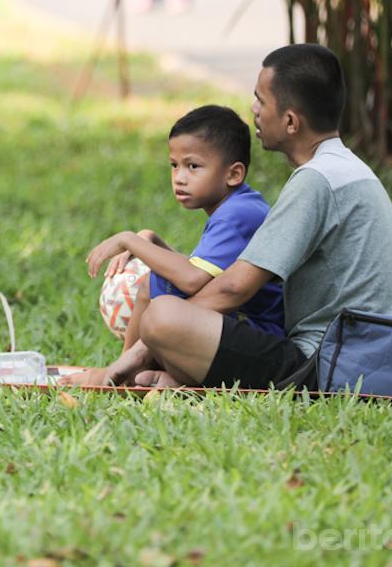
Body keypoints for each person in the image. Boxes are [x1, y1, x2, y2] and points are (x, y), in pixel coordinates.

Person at [84, 44, 392, 390]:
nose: (254, 109)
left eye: (261, 100)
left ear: (290, 121)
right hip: (373, 358)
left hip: (332, 365)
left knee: (163, 315)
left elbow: (231, 289)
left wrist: (142, 348)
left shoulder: (316, 181)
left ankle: (142, 372)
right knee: (165, 310)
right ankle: (171, 379)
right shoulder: (346, 168)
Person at [70, 107, 281, 386]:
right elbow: (204, 277)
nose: (179, 177)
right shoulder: (240, 205)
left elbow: (192, 280)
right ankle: (152, 374)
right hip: (241, 329)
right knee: (163, 284)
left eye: (193, 166)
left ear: (234, 174)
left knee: (154, 284)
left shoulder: (237, 214)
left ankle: (123, 371)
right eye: (174, 165)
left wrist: (129, 239)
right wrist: (153, 240)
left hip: (261, 339)